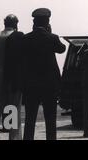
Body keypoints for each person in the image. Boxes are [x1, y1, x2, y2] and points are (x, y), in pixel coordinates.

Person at [22, 8, 66, 140]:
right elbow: (62, 49)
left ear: (34, 22)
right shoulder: (52, 38)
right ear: (47, 22)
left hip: (31, 83)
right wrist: (50, 33)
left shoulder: (26, 38)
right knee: (50, 118)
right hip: (49, 84)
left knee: (30, 117)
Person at [0, 14, 23, 140]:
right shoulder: (17, 36)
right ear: (15, 23)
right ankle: (13, 137)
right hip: (13, 73)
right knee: (13, 107)